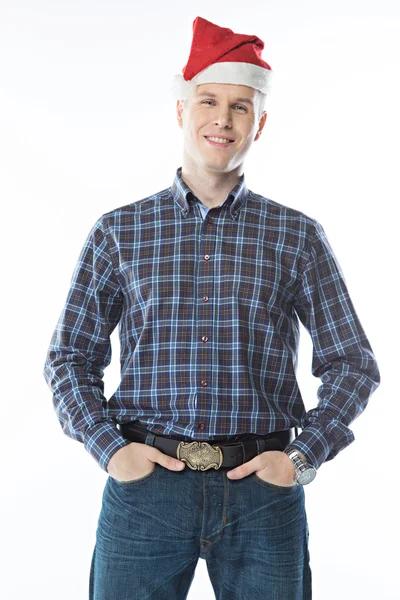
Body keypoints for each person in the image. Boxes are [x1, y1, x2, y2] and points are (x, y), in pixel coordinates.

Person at [43, 16, 380, 600]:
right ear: (181, 112)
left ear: (260, 122)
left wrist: (302, 458)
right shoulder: (120, 232)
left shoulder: (296, 236)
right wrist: (110, 449)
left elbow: (353, 363)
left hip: (262, 495)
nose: (222, 119)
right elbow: (69, 357)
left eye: (240, 106)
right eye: (208, 101)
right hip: (147, 491)